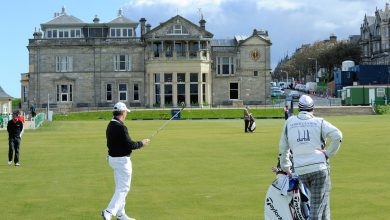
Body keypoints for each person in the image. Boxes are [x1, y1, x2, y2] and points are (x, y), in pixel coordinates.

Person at [278, 95, 342, 220]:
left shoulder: (289, 122)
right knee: (317, 207)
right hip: (319, 169)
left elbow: (283, 147)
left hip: (300, 170)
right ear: (312, 108)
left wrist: (286, 167)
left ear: (299, 108)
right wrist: (328, 153)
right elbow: (338, 136)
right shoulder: (320, 122)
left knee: (324, 201)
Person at [102, 102, 150, 220]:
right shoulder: (120, 127)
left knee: (120, 187)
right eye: (126, 112)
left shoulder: (111, 124)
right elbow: (130, 145)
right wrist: (141, 143)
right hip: (121, 161)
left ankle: (120, 214)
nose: (126, 114)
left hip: (113, 159)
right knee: (124, 188)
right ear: (123, 113)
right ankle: (109, 211)